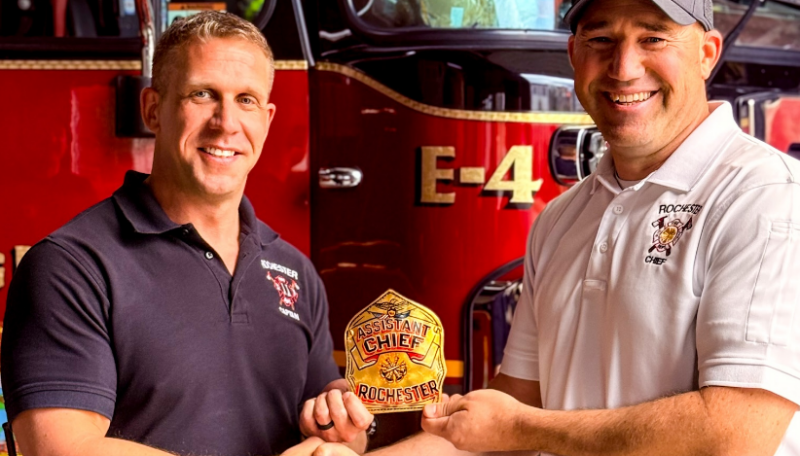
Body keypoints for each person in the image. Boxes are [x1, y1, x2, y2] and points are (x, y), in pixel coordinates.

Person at [310, 0, 800, 455]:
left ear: (706, 54)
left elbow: (738, 432)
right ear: (573, 55)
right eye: (601, 40)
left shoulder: (764, 196)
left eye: (653, 38)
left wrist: (521, 427)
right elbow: (511, 406)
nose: (623, 67)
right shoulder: (563, 217)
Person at [0, 11, 372, 456]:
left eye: (247, 100)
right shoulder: (72, 266)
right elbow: (64, 449)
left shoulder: (294, 271)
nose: (226, 123)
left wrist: (342, 428)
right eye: (202, 94)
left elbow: (339, 435)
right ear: (152, 109)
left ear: (267, 119)